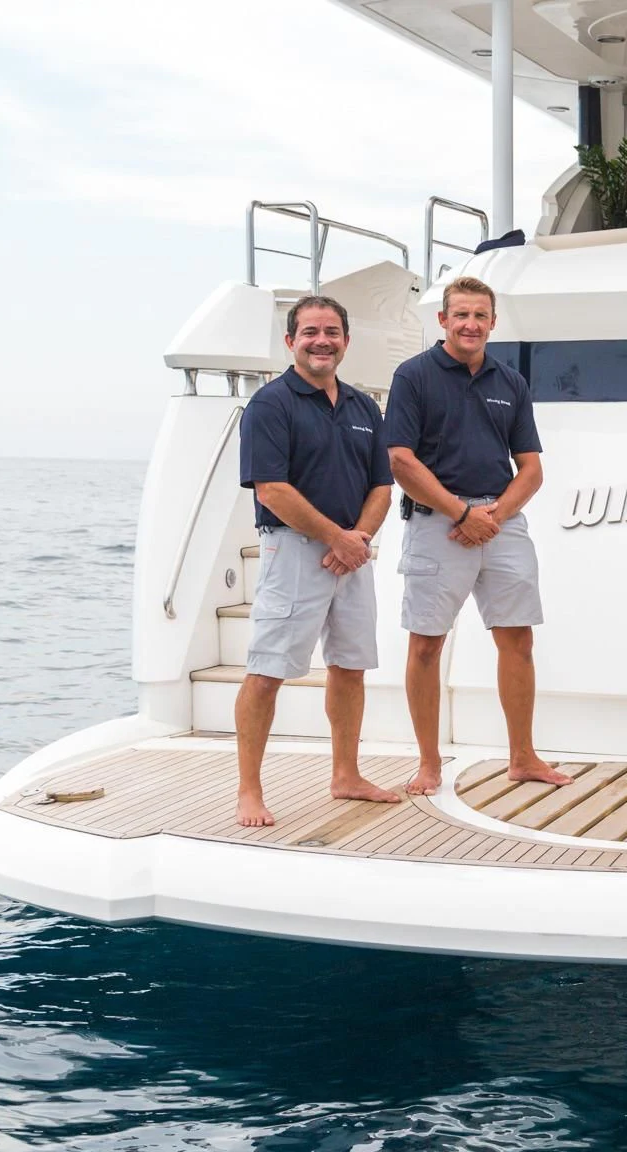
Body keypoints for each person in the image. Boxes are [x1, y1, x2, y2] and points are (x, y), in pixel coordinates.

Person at [386, 276, 572, 794]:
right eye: (460, 315)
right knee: (426, 645)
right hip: (435, 525)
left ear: (493, 322)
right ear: (443, 321)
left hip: (501, 521)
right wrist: (459, 514)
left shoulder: (509, 382)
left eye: (480, 316)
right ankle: (428, 762)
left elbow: (531, 468)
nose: (471, 324)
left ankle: (523, 757)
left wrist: (494, 515)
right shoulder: (413, 377)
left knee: (518, 639)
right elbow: (401, 460)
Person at [233, 295, 400, 827]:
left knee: (350, 668)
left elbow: (382, 485)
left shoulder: (361, 408)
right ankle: (248, 791)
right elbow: (272, 489)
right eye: (309, 332)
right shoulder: (270, 405)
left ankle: (346, 775)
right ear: (290, 342)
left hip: (353, 553)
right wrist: (339, 538)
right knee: (266, 672)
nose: (321, 340)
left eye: (332, 331)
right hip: (295, 550)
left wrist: (360, 537)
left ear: (346, 342)